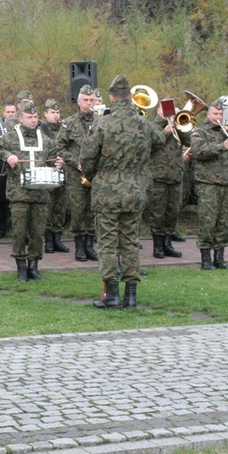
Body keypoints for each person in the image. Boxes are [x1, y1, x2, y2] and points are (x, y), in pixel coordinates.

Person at [80, 74, 164, 308]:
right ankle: (131, 295)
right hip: (135, 189)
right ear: (129, 96)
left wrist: (96, 173)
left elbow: (87, 159)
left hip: (107, 191)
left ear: (111, 97)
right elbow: (160, 141)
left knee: (107, 243)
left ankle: (112, 295)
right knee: (130, 242)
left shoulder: (102, 123)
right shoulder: (143, 123)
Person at [0, 101, 64, 281]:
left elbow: (55, 158)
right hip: (19, 193)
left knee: (38, 232)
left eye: (35, 117)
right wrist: (8, 156)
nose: (33, 120)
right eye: (29, 117)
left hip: (40, 194)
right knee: (19, 232)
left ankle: (34, 266)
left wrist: (59, 163)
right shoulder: (11, 137)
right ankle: (21, 266)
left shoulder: (45, 139)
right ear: (20, 119)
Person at [191, 98, 228, 270]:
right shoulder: (200, 131)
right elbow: (199, 151)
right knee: (208, 221)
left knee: (225, 221)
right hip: (208, 183)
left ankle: (219, 257)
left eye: (221, 114)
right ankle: (205, 258)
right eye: (215, 114)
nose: (218, 117)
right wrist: (222, 146)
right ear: (208, 114)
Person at [57, 84, 98, 262]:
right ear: (79, 101)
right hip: (76, 176)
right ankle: (79, 247)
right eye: (85, 100)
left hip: (97, 174)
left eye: (92, 100)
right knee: (78, 210)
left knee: (93, 210)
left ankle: (90, 246)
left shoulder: (101, 120)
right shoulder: (70, 122)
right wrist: (75, 162)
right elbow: (59, 146)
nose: (88, 103)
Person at [148, 99, 190, 259]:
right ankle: (157, 246)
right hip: (158, 176)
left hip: (175, 176)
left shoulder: (178, 126)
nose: (168, 113)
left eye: (172, 110)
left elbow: (190, 141)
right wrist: (166, 130)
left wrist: (179, 125)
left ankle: (168, 244)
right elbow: (150, 145)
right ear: (158, 110)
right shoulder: (152, 126)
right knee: (158, 213)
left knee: (172, 212)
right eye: (165, 109)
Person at [40, 98, 69, 253]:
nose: (56, 115)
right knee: (48, 208)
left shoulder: (64, 129)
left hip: (62, 172)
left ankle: (58, 238)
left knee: (60, 207)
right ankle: (48, 240)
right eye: (52, 112)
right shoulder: (41, 129)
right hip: (47, 173)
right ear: (45, 113)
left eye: (57, 112)